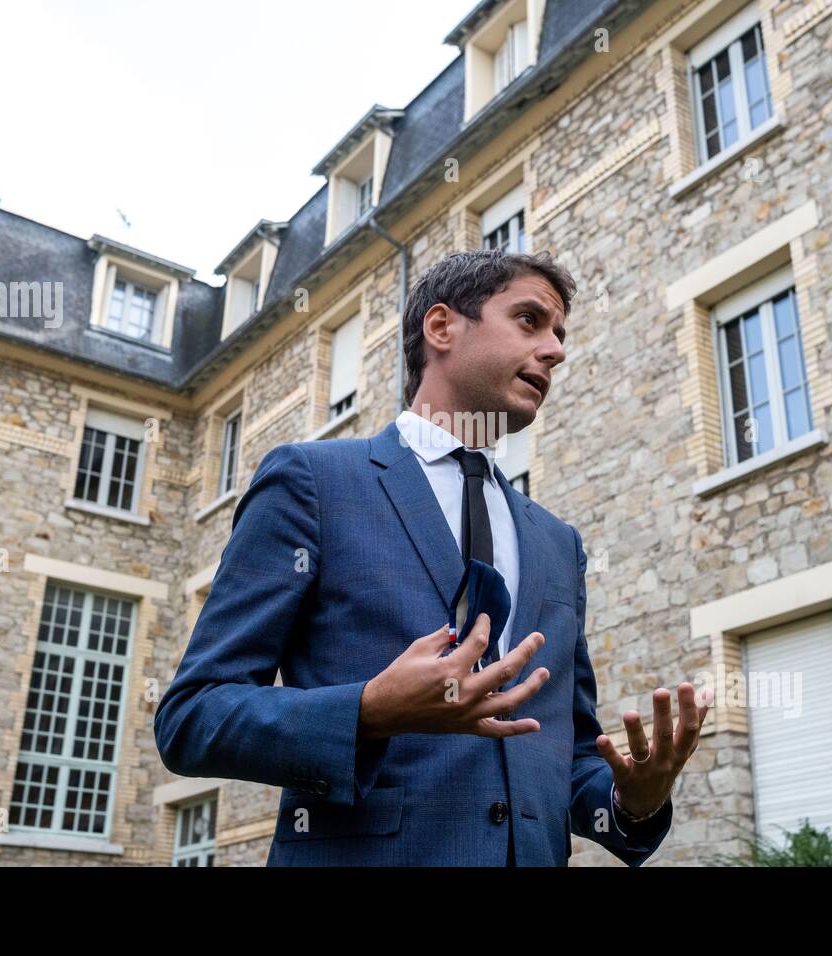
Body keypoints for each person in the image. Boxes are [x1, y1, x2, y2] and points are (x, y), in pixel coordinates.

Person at [154, 248, 712, 866]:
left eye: (559, 334)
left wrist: (633, 797)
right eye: (530, 321)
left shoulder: (559, 543)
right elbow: (193, 716)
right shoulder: (313, 482)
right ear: (442, 327)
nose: (555, 350)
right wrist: (367, 712)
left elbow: (565, 757)